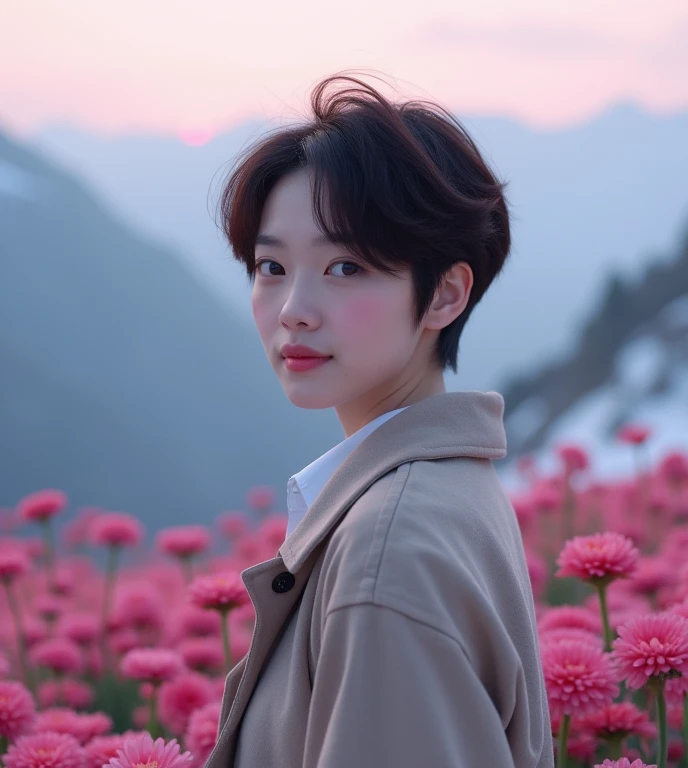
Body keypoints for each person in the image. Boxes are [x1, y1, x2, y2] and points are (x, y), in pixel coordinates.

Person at [204, 70, 554, 768]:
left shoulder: (388, 551)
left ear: (445, 296)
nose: (292, 309)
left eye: (345, 268)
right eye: (271, 266)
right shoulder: (452, 486)